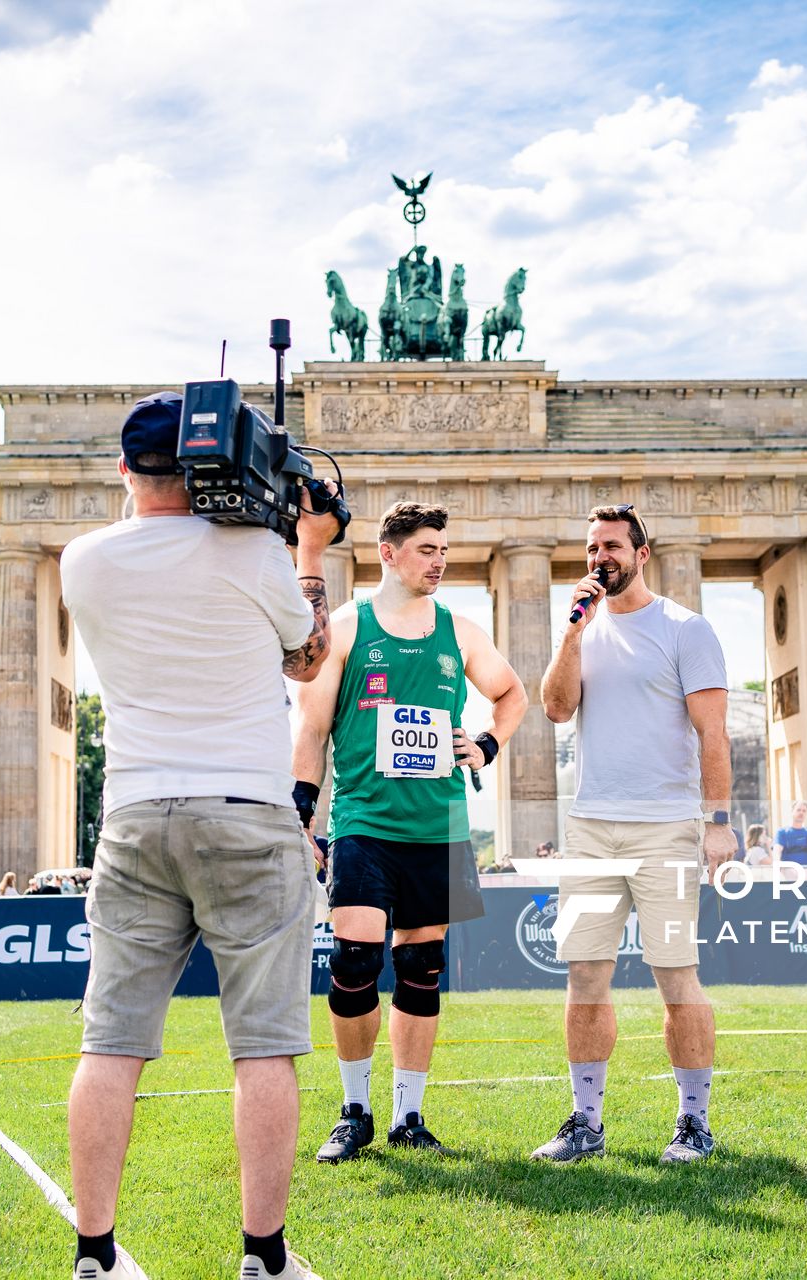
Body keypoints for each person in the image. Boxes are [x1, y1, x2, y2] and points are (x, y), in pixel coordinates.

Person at [58, 391, 337, 1280]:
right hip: (248, 814)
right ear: (213, 468)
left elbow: (146, 545)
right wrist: (311, 550)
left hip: (137, 814)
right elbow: (309, 655)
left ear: (125, 471)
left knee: (112, 1043)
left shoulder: (81, 560)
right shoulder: (255, 552)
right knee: (264, 1044)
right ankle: (263, 1256)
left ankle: (95, 1255)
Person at [292, 501, 526, 1163]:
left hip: (442, 826)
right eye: (427, 549)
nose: (439, 561)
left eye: (444, 550)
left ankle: (409, 1115)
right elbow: (311, 730)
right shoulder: (346, 627)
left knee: (421, 970)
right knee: (356, 962)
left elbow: (513, 696)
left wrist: (486, 744)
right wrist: (301, 812)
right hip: (364, 822)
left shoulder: (461, 631)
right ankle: (353, 1110)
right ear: (388, 553)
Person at [533, 503, 733, 1166]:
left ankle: (694, 1123)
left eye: (613, 547)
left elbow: (713, 734)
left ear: (642, 553)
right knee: (584, 977)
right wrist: (571, 634)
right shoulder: (582, 630)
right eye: (593, 548)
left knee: (676, 977)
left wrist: (720, 822)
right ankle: (585, 1122)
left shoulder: (685, 628)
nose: (600, 559)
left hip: (666, 830)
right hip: (590, 830)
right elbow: (557, 708)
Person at [771, 801, 807, 867]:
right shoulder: (782, 832)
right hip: (788, 873)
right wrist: (777, 863)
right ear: (792, 811)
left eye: (804, 811)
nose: (801, 813)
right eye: (798, 810)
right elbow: (777, 850)